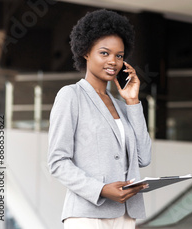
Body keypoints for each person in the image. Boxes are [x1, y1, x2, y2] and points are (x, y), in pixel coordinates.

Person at [48, 9, 152, 229]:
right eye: (104, 53)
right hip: (88, 214)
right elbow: (58, 162)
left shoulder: (122, 106)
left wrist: (133, 101)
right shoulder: (71, 96)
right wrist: (102, 190)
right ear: (86, 52)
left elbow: (144, 158)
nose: (113, 61)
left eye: (119, 55)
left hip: (125, 215)